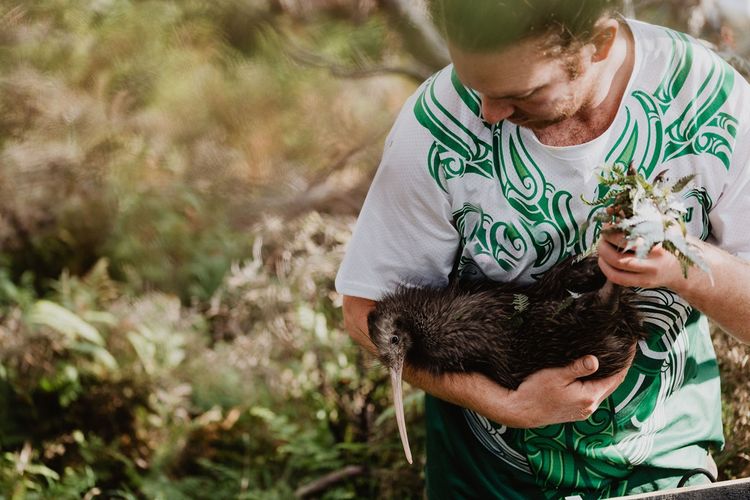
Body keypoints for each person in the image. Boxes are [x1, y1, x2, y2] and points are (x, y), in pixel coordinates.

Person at [335, 0, 750, 497]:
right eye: (475, 87)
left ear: (600, 43)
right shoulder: (436, 127)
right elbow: (366, 310)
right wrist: (507, 405)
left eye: (522, 93)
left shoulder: (706, 101)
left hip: (658, 469)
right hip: (486, 478)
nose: (488, 114)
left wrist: (681, 262)